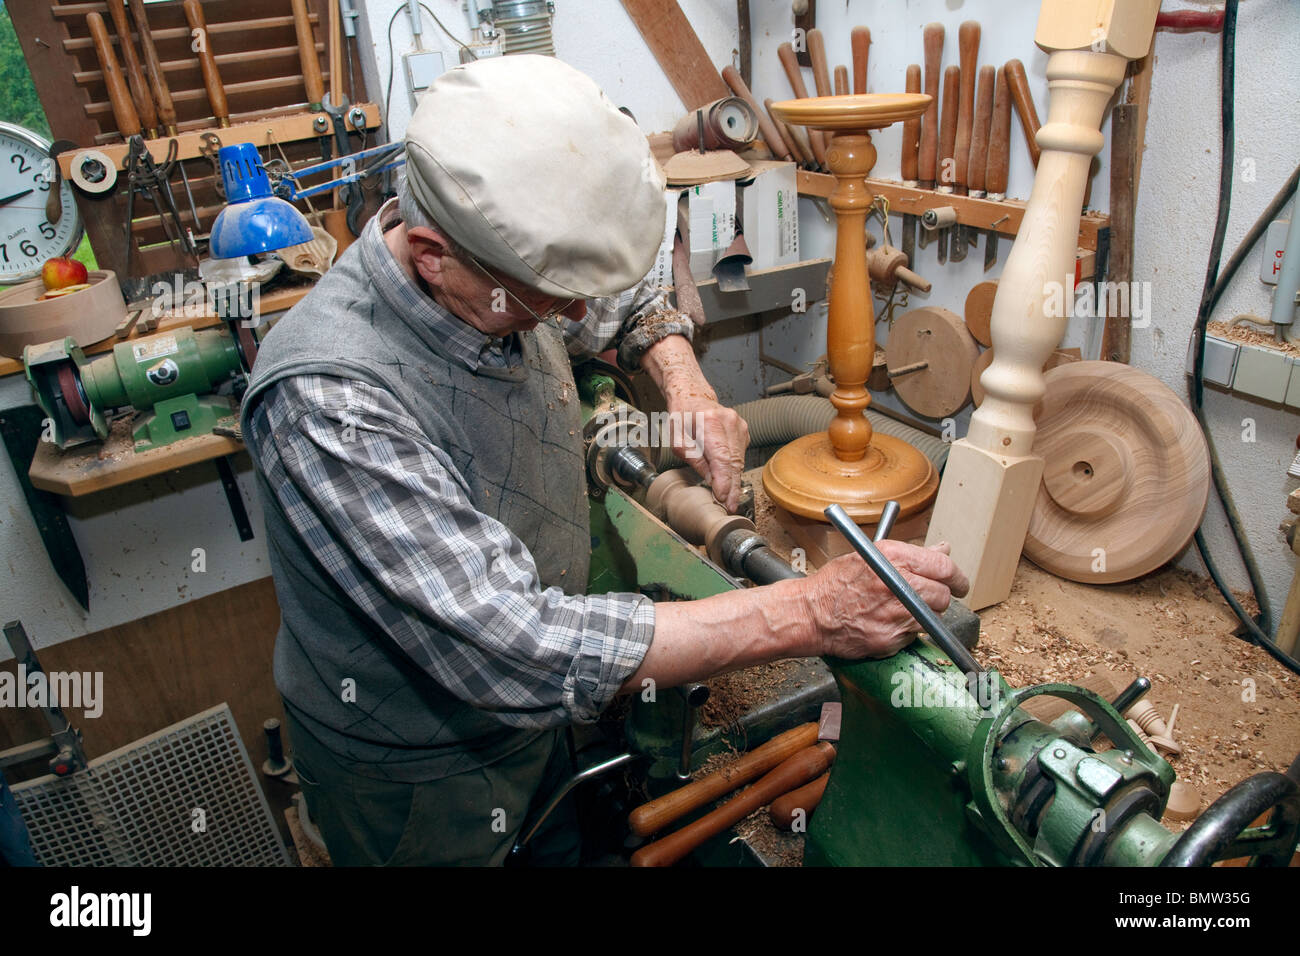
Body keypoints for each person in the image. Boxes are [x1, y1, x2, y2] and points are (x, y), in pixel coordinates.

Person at [240, 55, 967, 866]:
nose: (577, 318)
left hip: (535, 728)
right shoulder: (330, 399)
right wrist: (809, 612)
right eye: (551, 299)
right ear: (432, 254)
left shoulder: (493, 275)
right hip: (419, 779)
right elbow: (511, 647)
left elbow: (615, 306)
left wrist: (684, 383)